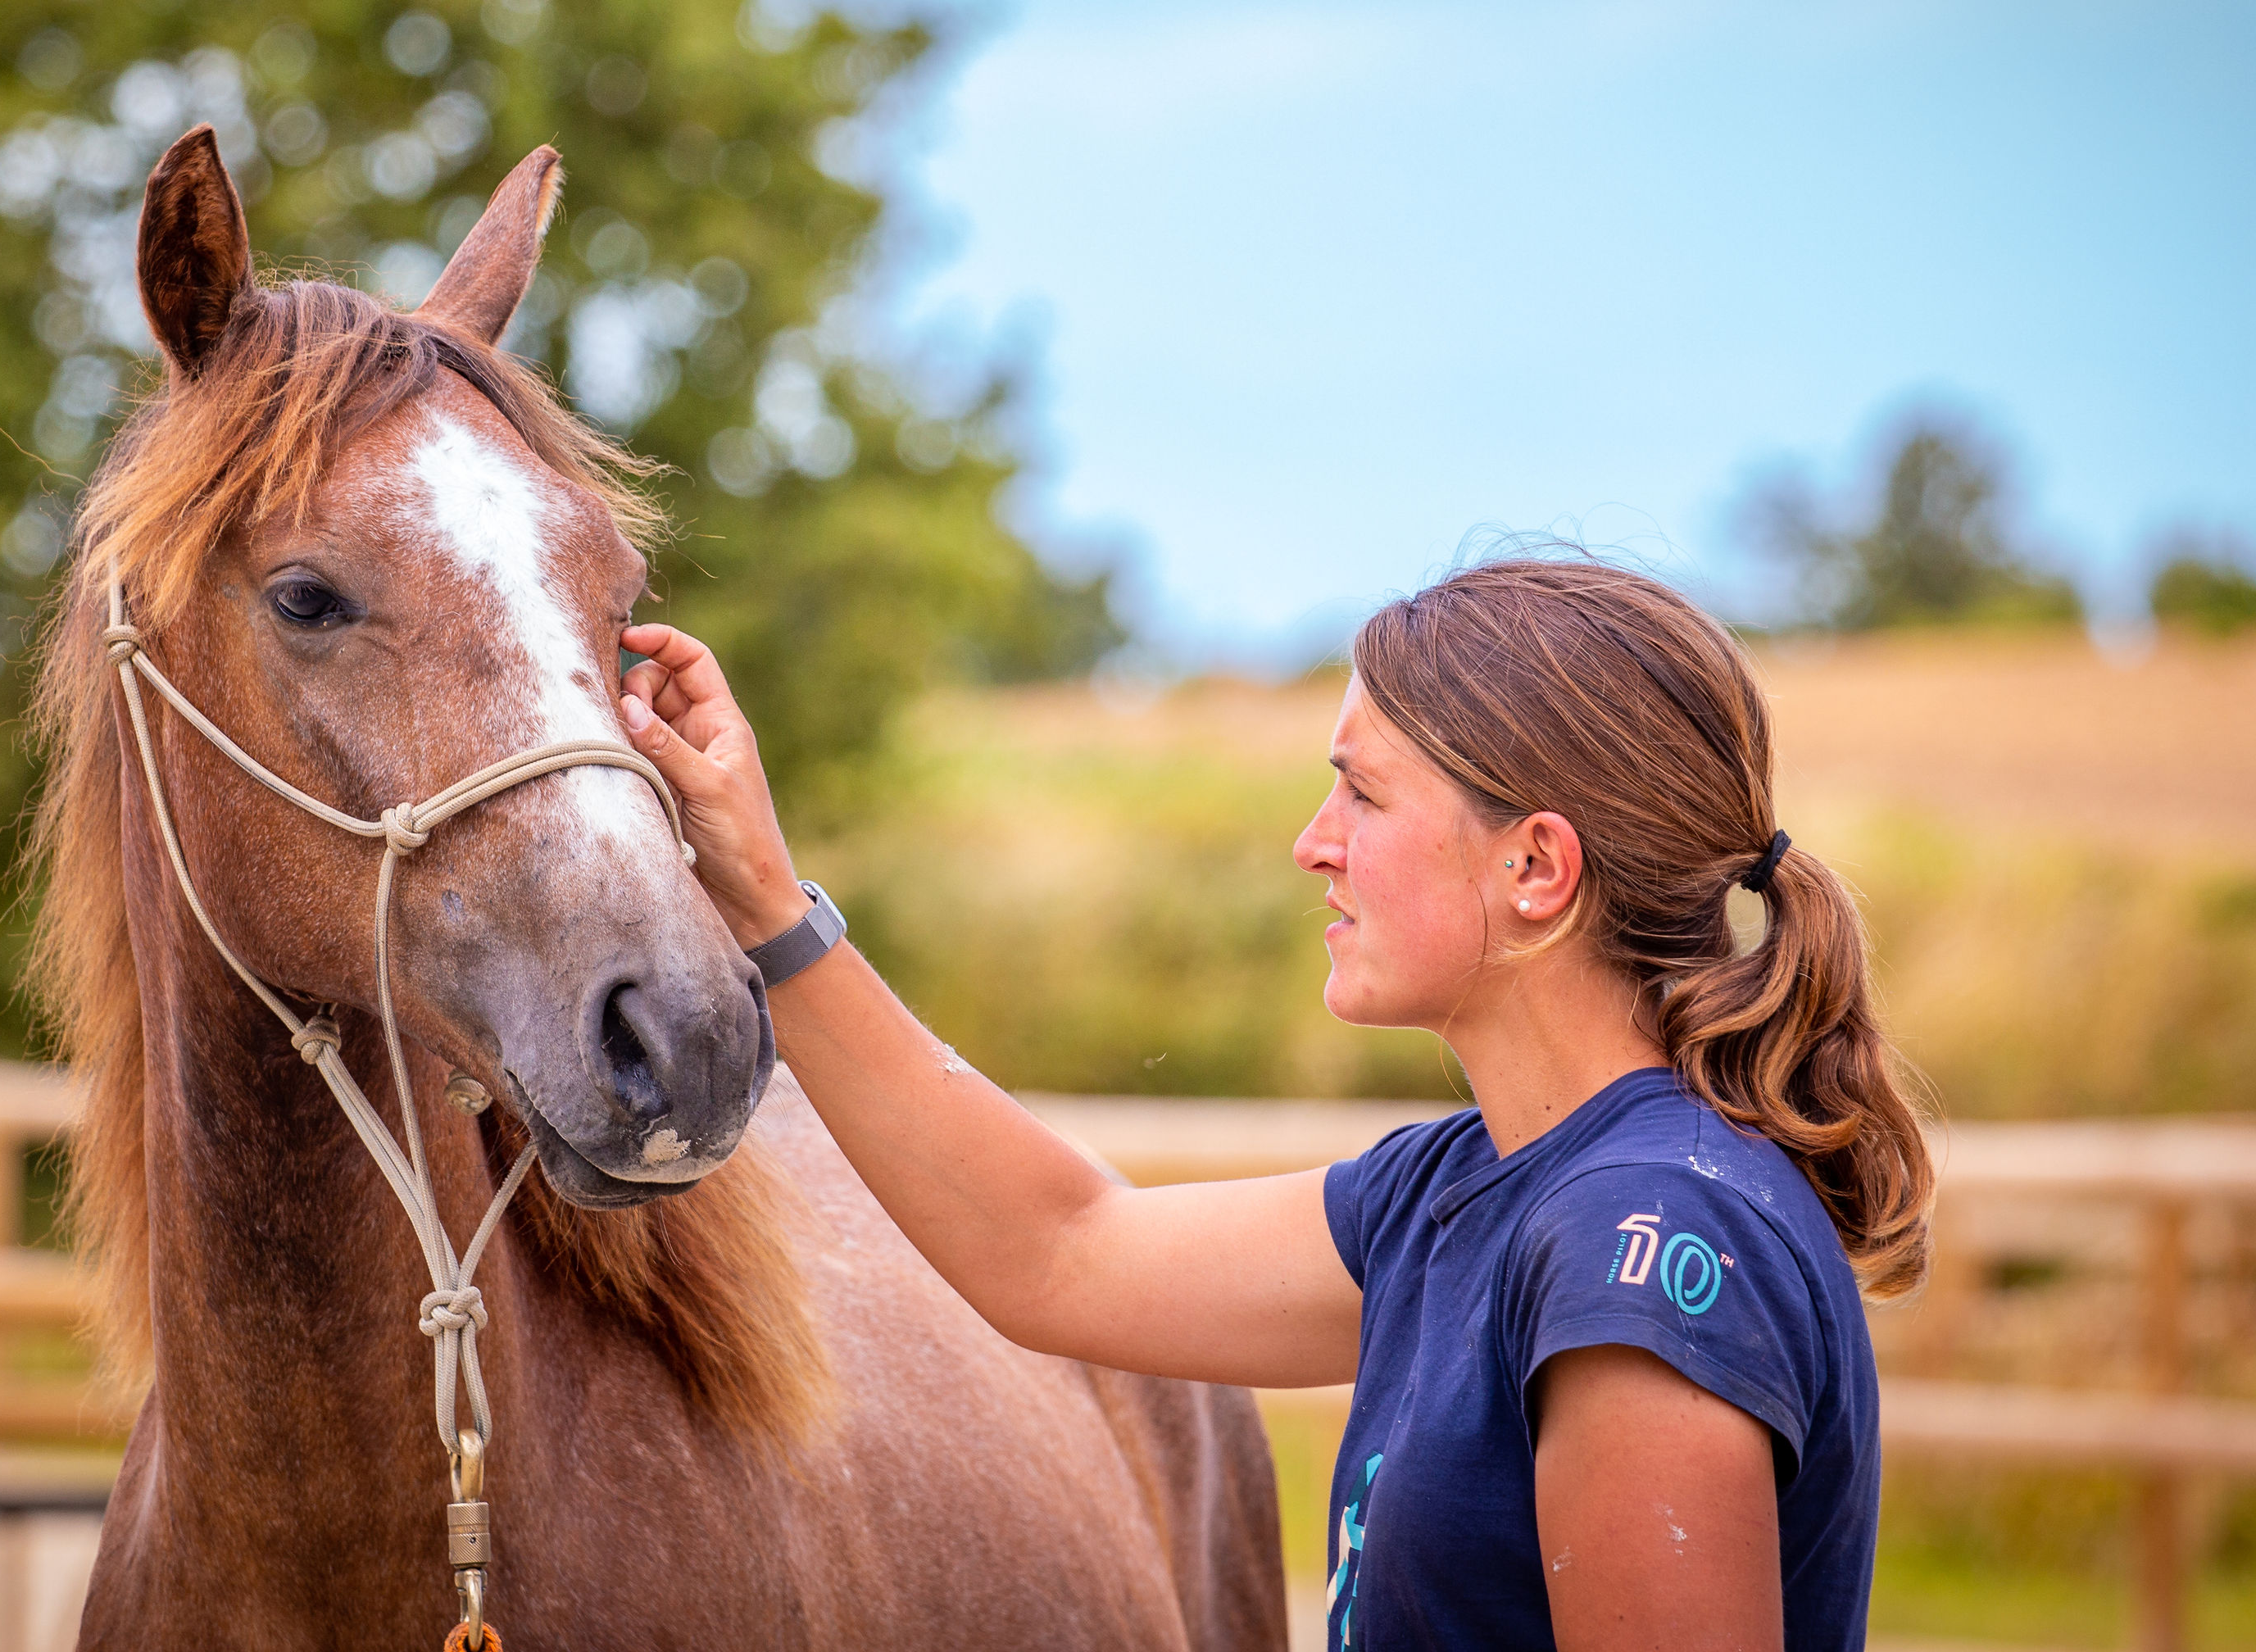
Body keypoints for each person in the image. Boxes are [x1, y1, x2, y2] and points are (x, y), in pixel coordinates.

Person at [615, 557, 1933, 1652]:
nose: (1315, 842)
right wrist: (768, 900)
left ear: (1536, 866)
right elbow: (1063, 1249)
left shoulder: (1634, 1244)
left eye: (1364, 791)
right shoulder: (1467, 1189)